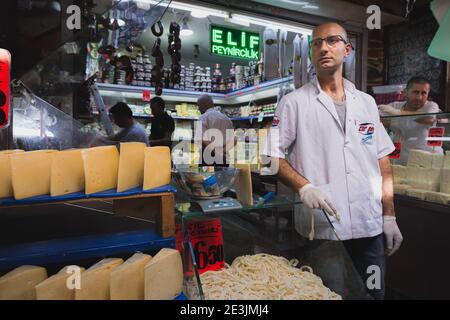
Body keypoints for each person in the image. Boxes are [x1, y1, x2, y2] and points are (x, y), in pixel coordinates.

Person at [263, 22, 403, 299]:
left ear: (347, 50)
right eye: (317, 43)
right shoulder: (294, 103)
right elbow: (269, 155)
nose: (323, 47)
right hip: (324, 228)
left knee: (373, 294)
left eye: (332, 41)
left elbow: (382, 161)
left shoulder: (366, 102)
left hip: (369, 224)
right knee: (330, 294)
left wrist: (389, 215)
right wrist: (304, 187)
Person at [378, 76, 443, 165]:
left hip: (429, 161)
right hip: (402, 161)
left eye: (424, 93)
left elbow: (428, 119)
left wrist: (397, 114)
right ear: (405, 93)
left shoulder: (431, 106)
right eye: (415, 92)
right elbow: (378, 118)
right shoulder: (395, 105)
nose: (419, 97)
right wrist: (391, 120)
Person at [197, 94, 234, 166]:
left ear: (204, 104)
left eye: (199, 106)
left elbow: (202, 139)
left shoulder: (202, 118)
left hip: (207, 159)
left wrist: (217, 152)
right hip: (224, 159)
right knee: (222, 177)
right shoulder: (226, 118)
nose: (199, 109)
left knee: (206, 177)